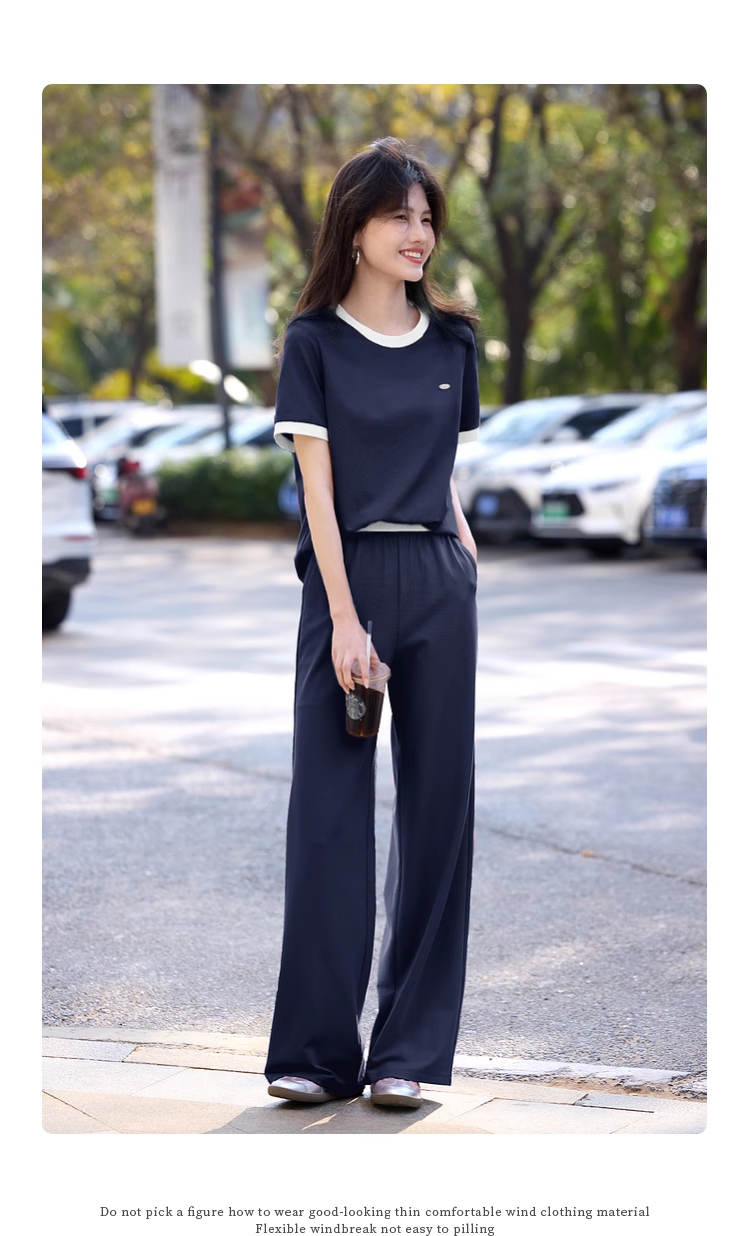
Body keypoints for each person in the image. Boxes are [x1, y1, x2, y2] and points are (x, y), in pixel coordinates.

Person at [264, 136, 481, 1111]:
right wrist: (345, 618)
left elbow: (443, 469)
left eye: (426, 217)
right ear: (355, 227)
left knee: (438, 816)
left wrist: (464, 558)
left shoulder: (454, 342)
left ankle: (408, 1055)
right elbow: (317, 491)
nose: (418, 233)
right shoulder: (313, 342)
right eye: (400, 216)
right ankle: (316, 1055)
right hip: (344, 582)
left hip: (437, 580)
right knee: (328, 816)